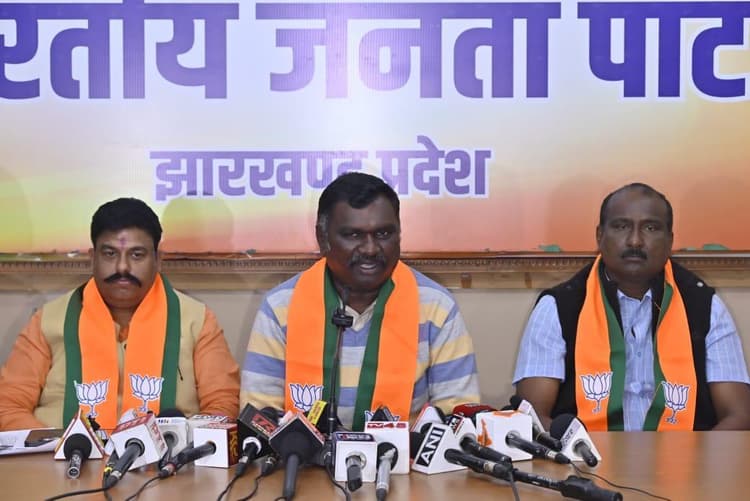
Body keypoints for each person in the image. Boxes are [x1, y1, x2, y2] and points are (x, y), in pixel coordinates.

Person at [241, 172, 480, 430]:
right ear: (323, 238)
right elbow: (259, 420)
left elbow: (458, 419)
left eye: (383, 233)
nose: (370, 249)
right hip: (300, 456)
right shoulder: (280, 307)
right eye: (353, 235)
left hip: (406, 456)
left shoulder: (436, 307)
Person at [513, 183, 750, 431]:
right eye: (621, 226)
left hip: (686, 454)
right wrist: (579, 451)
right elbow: (532, 417)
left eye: (650, 228)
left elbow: (739, 416)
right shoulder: (558, 308)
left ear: (670, 240)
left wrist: (695, 457)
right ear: (599, 236)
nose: (635, 241)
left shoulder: (705, 307)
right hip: (586, 454)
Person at [0, 198, 240, 431]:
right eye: (110, 254)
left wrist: (180, 448)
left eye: (137, 255)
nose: (122, 267)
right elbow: (9, 406)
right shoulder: (49, 321)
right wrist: (57, 449)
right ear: (92, 258)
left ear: (158, 260)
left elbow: (222, 406)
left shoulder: (196, 321)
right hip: (62, 456)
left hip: (170, 457)